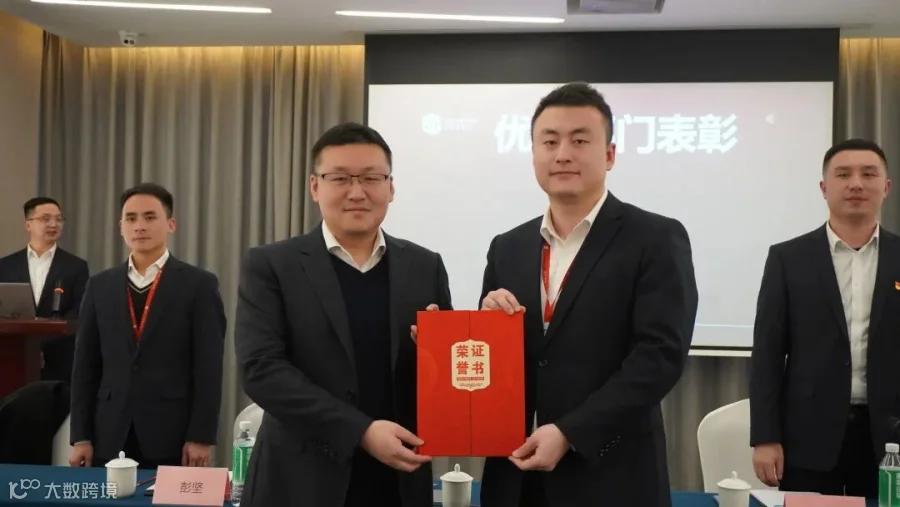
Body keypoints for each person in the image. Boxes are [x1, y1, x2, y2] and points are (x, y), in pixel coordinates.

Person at [477, 82, 698, 507]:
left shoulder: (655, 238)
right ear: (534, 153)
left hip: (611, 476)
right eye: (550, 141)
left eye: (580, 141)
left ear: (610, 155)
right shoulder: (507, 247)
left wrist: (570, 432)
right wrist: (481, 324)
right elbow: (496, 364)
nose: (563, 154)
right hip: (514, 478)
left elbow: (659, 357)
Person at [234, 122, 452, 507]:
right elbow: (261, 370)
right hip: (299, 481)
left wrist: (437, 351)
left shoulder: (425, 266)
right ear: (314, 187)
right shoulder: (272, 265)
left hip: (398, 479)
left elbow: (445, 379)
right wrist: (360, 431)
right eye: (339, 178)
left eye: (371, 178)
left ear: (390, 187)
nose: (357, 192)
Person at [750, 139, 896, 498]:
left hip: (891, 438)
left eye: (868, 174)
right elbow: (768, 354)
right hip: (808, 435)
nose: (856, 184)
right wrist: (766, 437)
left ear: (886, 187)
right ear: (824, 188)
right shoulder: (788, 259)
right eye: (843, 175)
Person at [68, 183, 226, 469]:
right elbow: (84, 368)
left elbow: (208, 367)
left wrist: (201, 436)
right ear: (121, 227)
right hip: (109, 432)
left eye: (150, 217)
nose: (139, 226)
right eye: (131, 218)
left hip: (171, 433)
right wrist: (81, 436)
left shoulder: (198, 285)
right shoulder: (100, 286)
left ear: (171, 224)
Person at [0, 197, 89, 382]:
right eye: (46, 219)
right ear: (28, 224)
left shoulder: (76, 266)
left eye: (58, 219)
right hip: (14, 355)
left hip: (59, 357)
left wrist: (41, 345)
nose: (53, 224)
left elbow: (79, 311)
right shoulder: (6, 266)